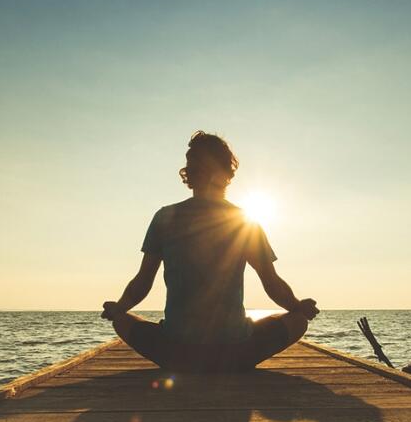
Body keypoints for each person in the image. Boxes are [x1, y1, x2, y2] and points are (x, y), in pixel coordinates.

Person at [102, 131, 319, 372]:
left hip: (177, 352)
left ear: (189, 174)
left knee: (122, 321)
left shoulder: (166, 217)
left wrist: (118, 309)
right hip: (234, 352)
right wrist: (298, 307)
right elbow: (271, 282)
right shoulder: (244, 221)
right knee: (297, 322)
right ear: (227, 173)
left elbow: (143, 282)